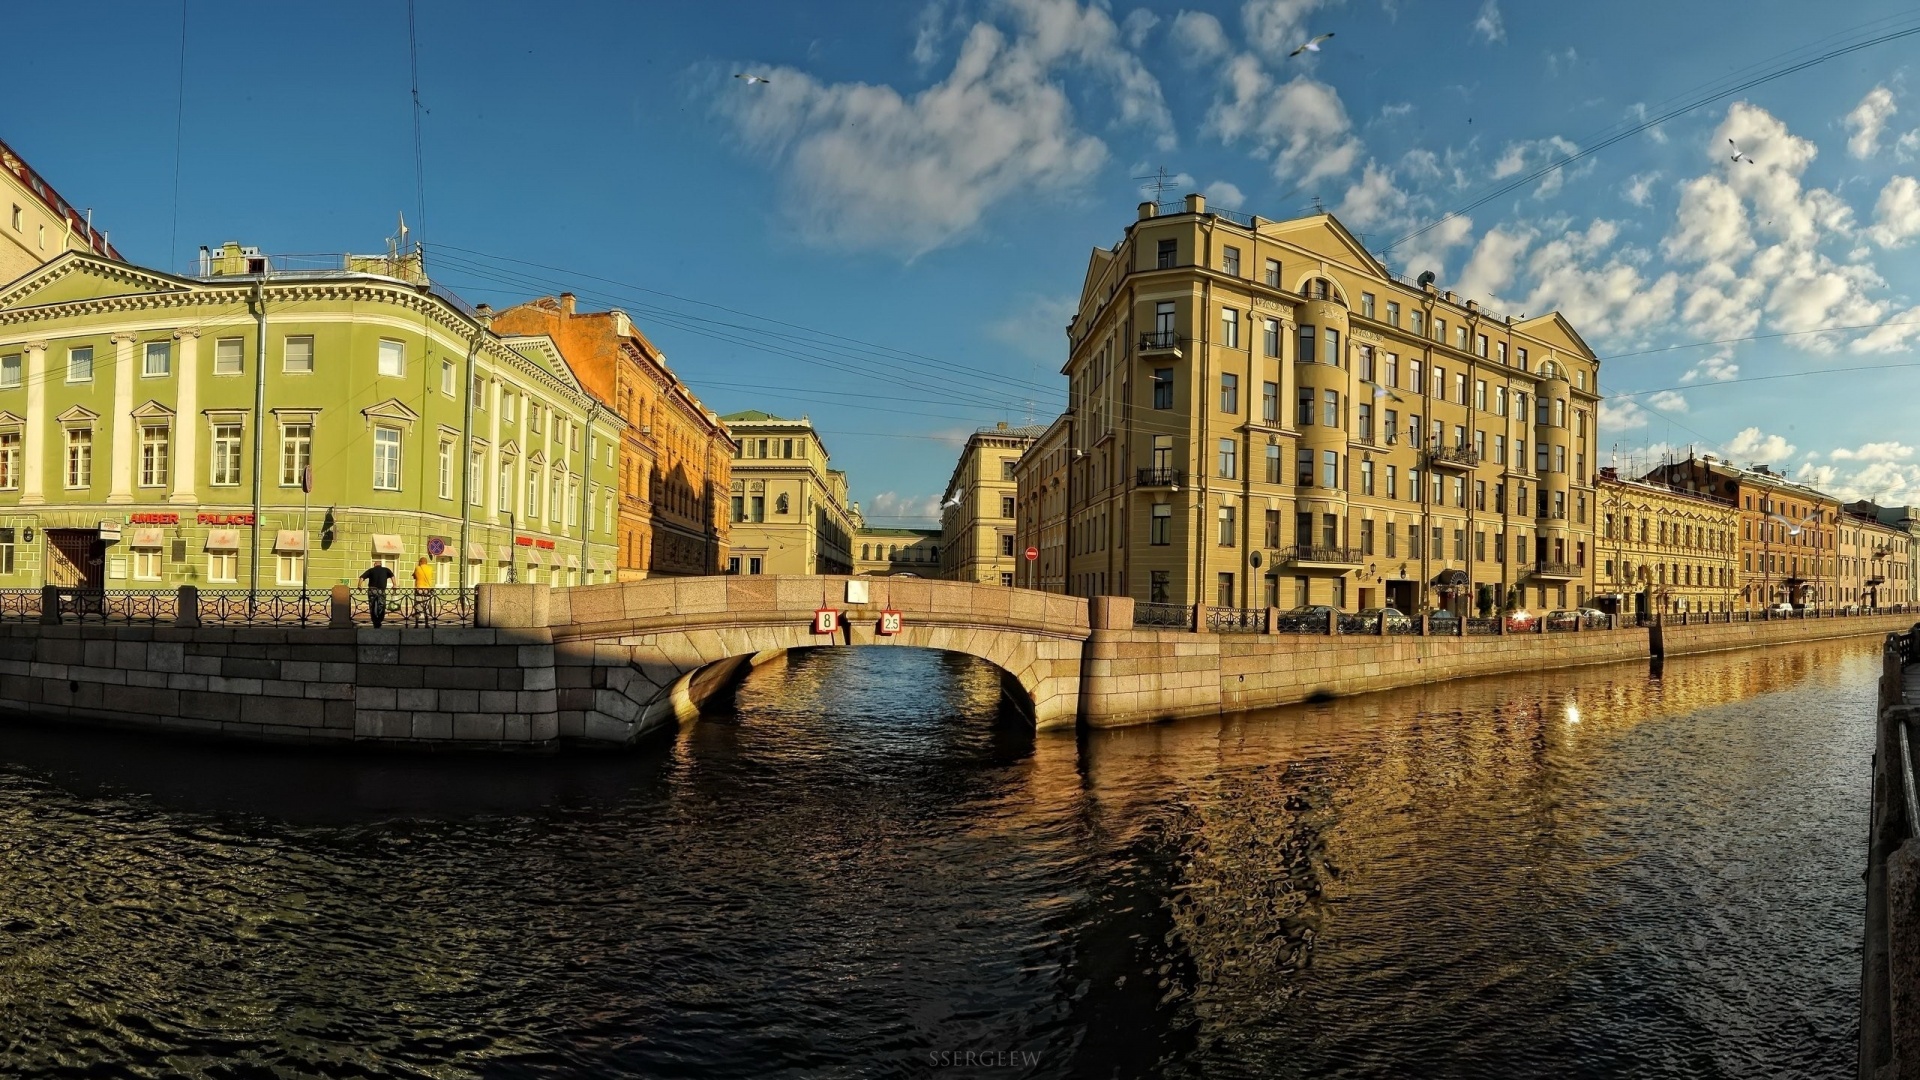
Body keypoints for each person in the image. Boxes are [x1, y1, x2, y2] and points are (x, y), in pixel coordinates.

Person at [358, 560, 396, 628]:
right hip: (381, 590)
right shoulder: (386, 570)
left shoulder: (371, 570)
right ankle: (379, 621)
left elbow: (362, 577)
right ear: (380, 565)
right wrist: (394, 585)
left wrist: (359, 585)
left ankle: (374, 621)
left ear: (374, 565)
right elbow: (392, 576)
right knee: (381, 605)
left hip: (372, 590)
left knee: (372, 606)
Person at [412, 556, 435, 625]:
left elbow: (414, 576)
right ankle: (427, 623)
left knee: (418, 606)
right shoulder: (430, 568)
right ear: (426, 562)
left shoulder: (417, 568)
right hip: (427, 589)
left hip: (419, 589)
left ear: (420, 562)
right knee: (426, 606)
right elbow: (431, 576)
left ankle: (416, 624)